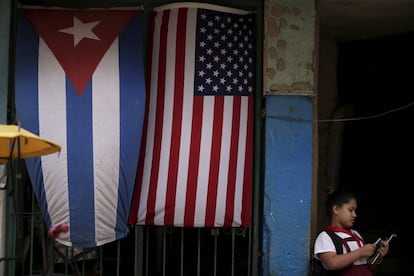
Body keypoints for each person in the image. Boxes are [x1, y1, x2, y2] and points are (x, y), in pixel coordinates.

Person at [313, 189, 390, 275]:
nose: (354, 215)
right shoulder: (325, 237)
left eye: (355, 211)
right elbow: (332, 263)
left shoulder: (356, 235)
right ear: (336, 209)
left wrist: (378, 256)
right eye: (350, 210)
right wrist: (360, 252)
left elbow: (366, 268)